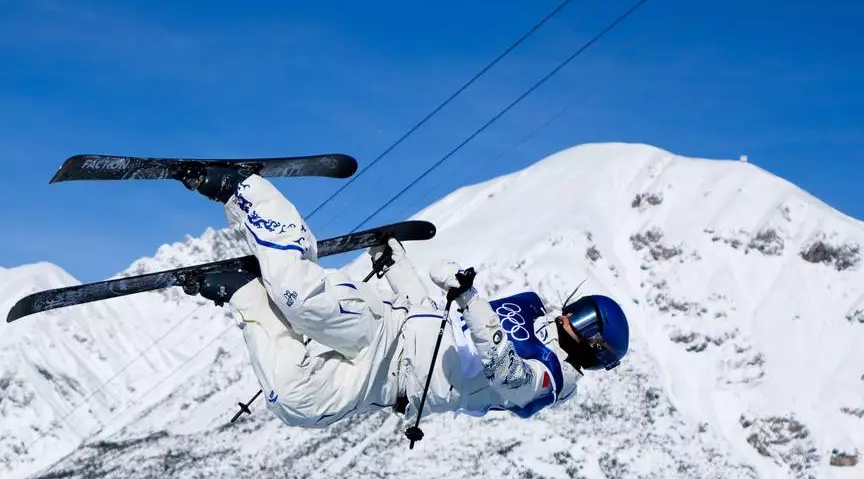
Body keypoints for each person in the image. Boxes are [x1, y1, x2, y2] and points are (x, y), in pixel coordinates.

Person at [181, 167, 629, 431]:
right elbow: (433, 322)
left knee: (297, 405)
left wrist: (470, 296)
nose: (570, 317)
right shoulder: (533, 309)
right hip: (389, 330)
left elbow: (504, 372)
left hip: (391, 385)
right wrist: (394, 265)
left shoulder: (552, 381)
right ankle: (246, 190)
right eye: (579, 307)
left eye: (585, 320)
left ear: (595, 347)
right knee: (301, 297)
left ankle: (244, 293)